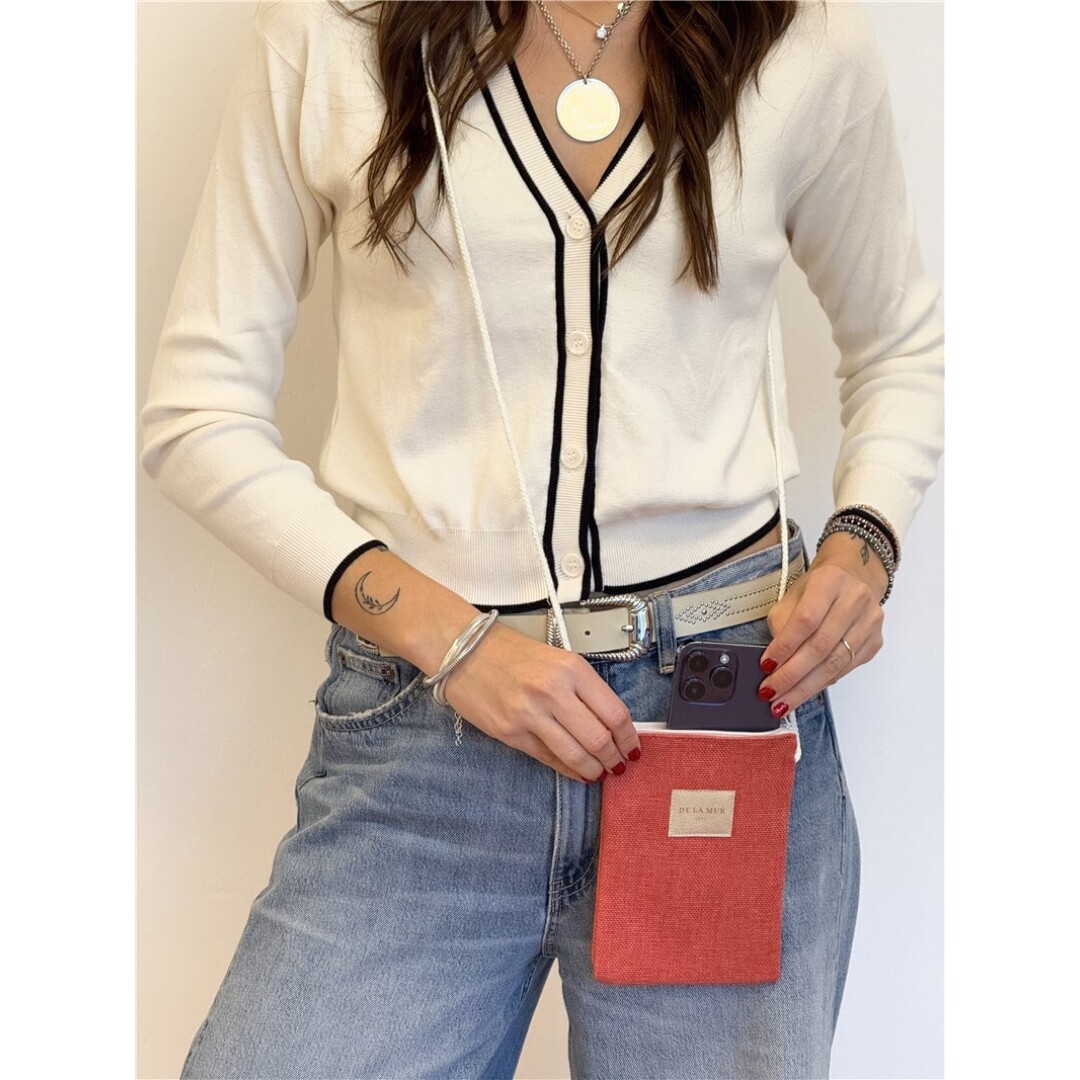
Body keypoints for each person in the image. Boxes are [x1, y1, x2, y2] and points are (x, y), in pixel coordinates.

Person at [140, 1, 944, 1076]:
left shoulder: (800, 39)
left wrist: (864, 535)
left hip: (721, 713)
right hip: (423, 737)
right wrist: (454, 642)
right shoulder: (331, 35)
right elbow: (198, 413)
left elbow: (900, 343)